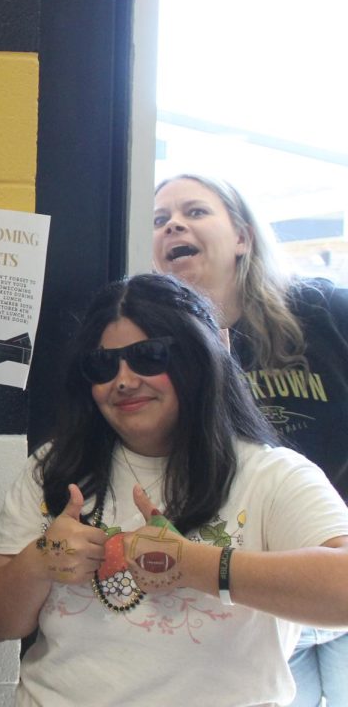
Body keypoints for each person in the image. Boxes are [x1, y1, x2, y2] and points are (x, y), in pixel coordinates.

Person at [0, 274, 348, 706]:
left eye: (149, 357)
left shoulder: (270, 474)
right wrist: (41, 559)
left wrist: (194, 564)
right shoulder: (54, 467)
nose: (124, 380)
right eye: (103, 365)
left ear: (200, 358)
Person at [154, 173, 348, 705]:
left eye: (195, 211)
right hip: (257, 590)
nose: (173, 223)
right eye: (160, 218)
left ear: (242, 236)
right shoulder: (164, 351)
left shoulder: (324, 309)